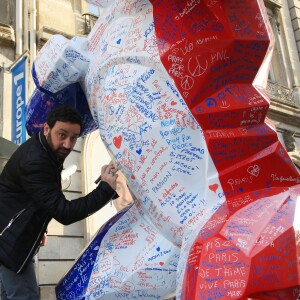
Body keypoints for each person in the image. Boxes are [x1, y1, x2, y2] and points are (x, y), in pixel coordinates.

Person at [0, 105, 119, 300]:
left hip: (13, 240)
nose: (67, 144)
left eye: (74, 138)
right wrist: (105, 190)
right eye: (62, 135)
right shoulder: (36, 161)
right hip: (12, 247)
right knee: (26, 296)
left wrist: (39, 229)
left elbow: (35, 199)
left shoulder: (46, 151)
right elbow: (65, 213)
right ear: (47, 129)